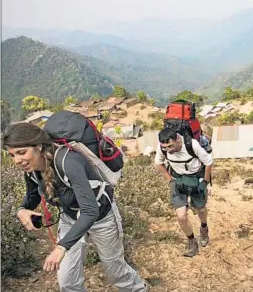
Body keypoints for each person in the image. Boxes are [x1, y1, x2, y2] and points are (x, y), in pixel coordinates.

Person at [2, 122, 149, 292]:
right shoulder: (31, 168)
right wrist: (22, 209)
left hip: (101, 217)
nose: (17, 160)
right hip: (70, 218)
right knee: (67, 280)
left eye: (21, 152)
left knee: (115, 271)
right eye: (12, 155)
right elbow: (32, 196)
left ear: (39, 146)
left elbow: (90, 210)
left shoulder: (68, 161)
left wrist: (61, 247)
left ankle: (139, 289)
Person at [155, 127, 213, 257]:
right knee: (181, 216)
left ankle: (204, 227)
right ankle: (192, 241)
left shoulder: (191, 144)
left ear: (177, 139)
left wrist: (205, 182)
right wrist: (170, 180)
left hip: (196, 179)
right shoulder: (162, 148)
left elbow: (208, 162)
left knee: (201, 209)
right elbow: (158, 163)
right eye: (165, 147)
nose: (168, 150)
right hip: (178, 180)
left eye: (170, 146)